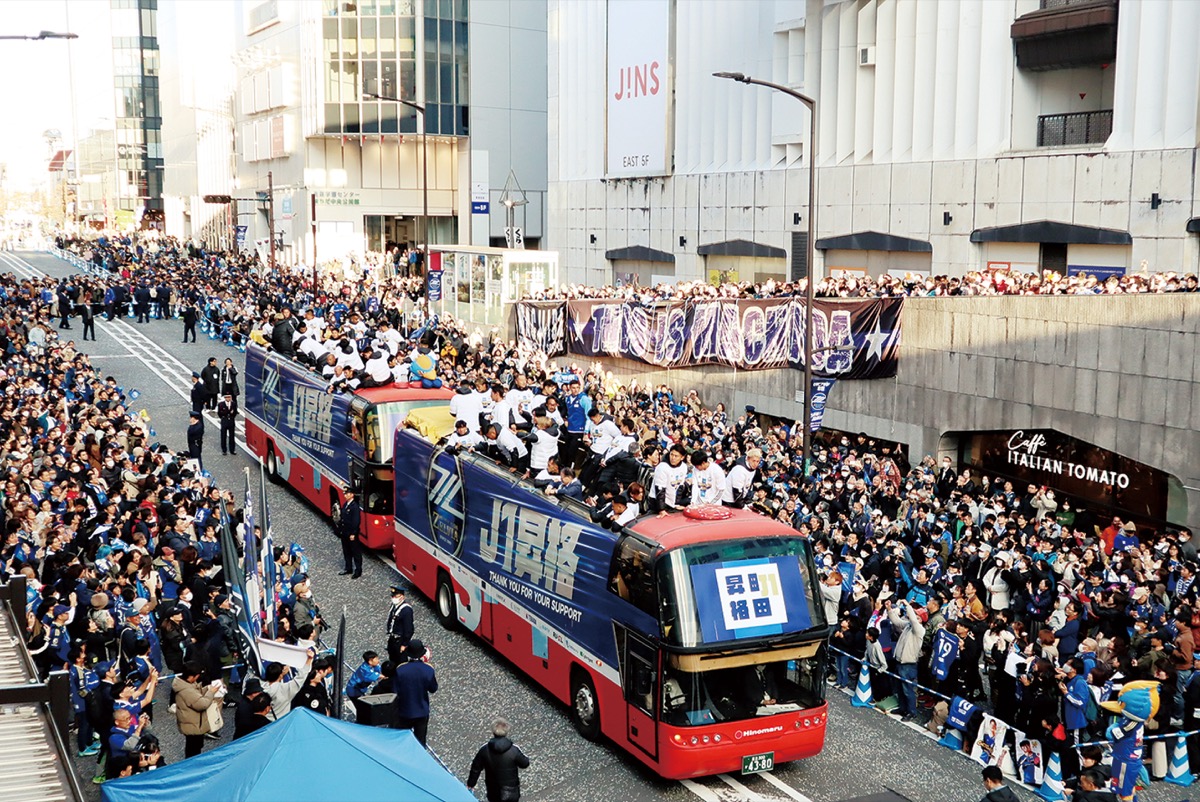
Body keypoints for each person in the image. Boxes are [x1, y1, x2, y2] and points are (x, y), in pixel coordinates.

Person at [466, 717, 531, 802]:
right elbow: (525, 763)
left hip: (493, 789)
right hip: (511, 790)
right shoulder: (514, 750)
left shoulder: (484, 749)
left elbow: (476, 768)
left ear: (493, 732)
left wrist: (471, 784)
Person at [392, 639, 437, 746]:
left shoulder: (401, 669)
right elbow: (433, 688)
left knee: (402, 738)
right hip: (422, 710)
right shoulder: (428, 670)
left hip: (404, 710)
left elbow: (394, 690)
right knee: (420, 741)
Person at [172, 661, 221, 758]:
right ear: (192, 676)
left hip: (192, 723)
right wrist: (211, 692)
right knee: (193, 749)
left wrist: (207, 689)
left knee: (194, 746)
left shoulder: (184, 684)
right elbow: (202, 704)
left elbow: (196, 695)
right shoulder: (187, 691)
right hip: (193, 725)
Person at [337, 486, 363, 578]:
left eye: (347, 493)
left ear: (352, 495)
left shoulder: (354, 507)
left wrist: (353, 533)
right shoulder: (345, 505)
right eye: (345, 493)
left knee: (355, 552)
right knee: (346, 551)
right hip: (345, 532)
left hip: (351, 533)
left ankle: (358, 570)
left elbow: (356, 521)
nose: (345, 495)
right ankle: (348, 568)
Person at [386, 585, 415, 664]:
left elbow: (409, 629)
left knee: (401, 661)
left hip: (400, 640)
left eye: (396, 596)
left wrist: (404, 644)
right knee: (392, 658)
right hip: (392, 638)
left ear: (402, 596)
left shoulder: (406, 610)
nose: (394, 598)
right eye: (393, 596)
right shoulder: (394, 606)